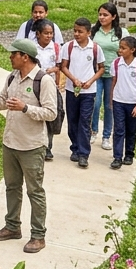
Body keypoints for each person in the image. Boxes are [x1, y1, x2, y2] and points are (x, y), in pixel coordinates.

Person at [0, 38, 59, 254]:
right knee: (12, 187)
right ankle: (12, 227)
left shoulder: (43, 80)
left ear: (24, 56)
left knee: (35, 191)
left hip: (32, 146)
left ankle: (38, 235)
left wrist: (25, 108)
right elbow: (2, 102)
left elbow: (51, 112)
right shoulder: (12, 77)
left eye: (13, 54)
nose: (10, 57)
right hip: (11, 143)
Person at [60, 17, 104, 168]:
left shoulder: (95, 48)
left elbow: (101, 68)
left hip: (89, 91)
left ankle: (84, 154)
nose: (77, 34)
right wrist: (73, 79)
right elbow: (63, 66)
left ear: (88, 33)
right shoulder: (68, 47)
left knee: (85, 121)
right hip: (72, 89)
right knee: (72, 120)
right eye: (75, 31)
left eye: (80, 31)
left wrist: (91, 81)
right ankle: (75, 148)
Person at [91, 3, 129, 151]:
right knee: (95, 103)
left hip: (113, 75)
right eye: (100, 14)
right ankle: (93, 131)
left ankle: (106, 136)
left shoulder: (121, 33)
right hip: (96, 73)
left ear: (113, 16)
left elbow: (127, 52)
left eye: (105, 15)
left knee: (109, 105)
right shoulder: (94, 32)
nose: (101, 17)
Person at [110, 36, 136, 169]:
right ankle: (117, 157)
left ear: (132, 50)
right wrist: (111, 100)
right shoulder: (116, 63)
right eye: (120, 47)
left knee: (131, 130)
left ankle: (129, 154)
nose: (120, 50)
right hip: (118, 101)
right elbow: (114, 82)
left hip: (132, 102)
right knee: (119, 129)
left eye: (123, 48)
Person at [33, 19, 64, 161]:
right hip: (35, 85)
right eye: (46, 33)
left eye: (51, 33)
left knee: (50, 116)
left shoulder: (56, 48)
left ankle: (48, 147)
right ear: (38, 34)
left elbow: (60, 66)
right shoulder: (32, 48)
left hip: (50, 86)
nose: (49, 36)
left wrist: (53, 70)